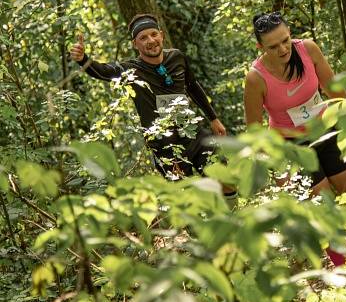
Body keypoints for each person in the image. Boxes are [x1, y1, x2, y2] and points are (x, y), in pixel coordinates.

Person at [70, 13, 233, 197]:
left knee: (225, 179)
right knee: (185, 199)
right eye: (143, 37)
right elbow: (103, 71)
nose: (151, 40)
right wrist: (83, 59)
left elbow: (192, 86)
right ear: (135, 44)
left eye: (154, 34)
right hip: (165, 147)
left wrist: (213, 118)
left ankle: (235, 222)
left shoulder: (177, 57)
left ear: (161, 35)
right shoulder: (130, 70)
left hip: (193, 136)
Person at [243, 11, 346, 198]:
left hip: (326, 131)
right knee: (323, 214)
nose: (283, 49)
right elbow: (254, 130)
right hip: (291, 147)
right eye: (273, 47)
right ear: (260, 47)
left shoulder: (307, 49)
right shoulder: (255, 78)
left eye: (285, 41)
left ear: (290, 33)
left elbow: (337, 93)